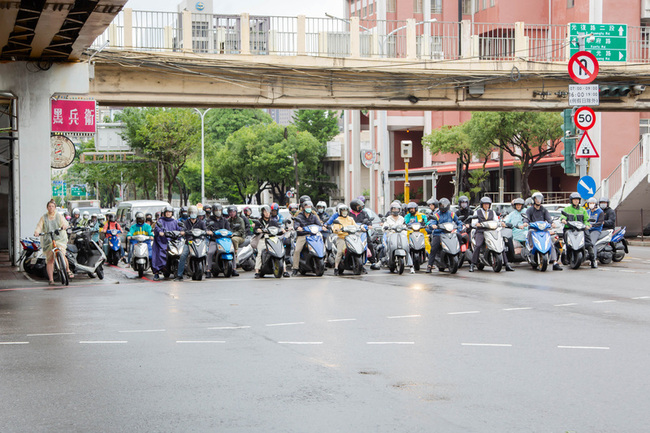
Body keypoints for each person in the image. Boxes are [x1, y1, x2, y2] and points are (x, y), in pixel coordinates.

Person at [468, 197, 514, 272]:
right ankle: (473, 264)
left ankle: (507, 264)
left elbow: (496, 220)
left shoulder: (492, 212)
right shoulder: (477, 212)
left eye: (488, 204)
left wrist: (501, 223)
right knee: (478, 245)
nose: (486, 206)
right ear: (482, 205)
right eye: (485, 204)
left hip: (491, 231)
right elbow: (473, 222)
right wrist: (477, 224)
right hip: (481, 231)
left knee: (500, 244)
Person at [34, 199, 72, 285]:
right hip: (48, 239)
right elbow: (39, 226)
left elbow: (64, 223)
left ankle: (67, 270)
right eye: (49, 206)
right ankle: (51, 279)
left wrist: (64, 226)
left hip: (59, 238)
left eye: (52, 206)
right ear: (47, 208)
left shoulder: (59, 216)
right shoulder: (44, 217)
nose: (51, 208)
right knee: (50, 260)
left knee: (62, 253)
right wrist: (37, 232)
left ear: (55, 207)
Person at [524, 192, 562, 271]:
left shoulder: (544, 210)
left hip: (543, 230)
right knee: (530, 232)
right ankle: (531, 249)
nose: (538, 201)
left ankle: (555, 262)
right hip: (533, 230)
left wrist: (552, 223)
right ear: (533, 200)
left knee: (550, 243)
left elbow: (549, 219)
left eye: (540, 199)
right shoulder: (530, 210)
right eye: (536, 199)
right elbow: (526, 218)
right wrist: (525, 222)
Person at [425, 198, 463, 273]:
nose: (443, 206)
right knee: (434, 248)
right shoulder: (437, 215)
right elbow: (432, 222)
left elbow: (458, 221)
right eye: (442, 205)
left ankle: (460, 255)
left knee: (459, 237)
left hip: (449, 233)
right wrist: (433, 225)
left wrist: (459, 228)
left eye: (445, 205)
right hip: (439, 233)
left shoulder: (452, 214)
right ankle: (429, 266)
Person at [253, 205, 290, 278]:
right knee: (260, 252)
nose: (267, 213)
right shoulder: (259, 222)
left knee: (280, 252)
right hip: (264, 238)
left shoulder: (273, 221)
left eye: (268, 212)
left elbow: (278, 229)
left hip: (273, 238)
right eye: (265, 212)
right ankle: (257, 271)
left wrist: (282, 230)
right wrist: (258, 230)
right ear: (262, 213)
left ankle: (285, 270)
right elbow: (255, 230)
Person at [175, 206, 208, 281]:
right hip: (189, 241)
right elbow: (183, 230)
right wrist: (183, 232)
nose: (193, 214)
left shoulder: (201, 222)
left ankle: (208, 270)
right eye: (191, 213)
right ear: (189, 214)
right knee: (183, 255)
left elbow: (205, 229)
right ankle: (179, 275)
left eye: (194, 213)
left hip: (200, 241)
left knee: (207, 253)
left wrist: (207, 232)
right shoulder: (186, 222)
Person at [152, 205, 183, 281]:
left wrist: (182, 232)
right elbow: (157, 228)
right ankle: (156, 273)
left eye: (170, 212)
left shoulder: (175, 221)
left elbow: (180, 228)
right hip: (162, 242)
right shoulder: (160, 221)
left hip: (173, 241)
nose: (168, 214)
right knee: (159, 253)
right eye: (167, 212)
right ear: (164, 213)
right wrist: (160, 232)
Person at [382, 201, 415, 274]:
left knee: (406, 247)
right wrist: (386, 227)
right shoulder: (388, 218)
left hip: (401, 235)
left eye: (397, 209)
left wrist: (407, 227)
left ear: (399, 210)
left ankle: (411, 266)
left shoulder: (402, 218)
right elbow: (384, 226)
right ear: (391, 210)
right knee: (386, 247)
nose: (395, 210)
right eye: (394, 209)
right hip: (391, 235)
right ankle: (385, 259)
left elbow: (405, 225)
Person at [292, 200, 323, 276]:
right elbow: (296, 224)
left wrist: (322, 227)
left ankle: (323, 261)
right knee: (297, 250)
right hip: (302, 235)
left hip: (313, 235)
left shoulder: (314, 216)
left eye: (310, 207)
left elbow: (319, 224)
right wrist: (298, 227)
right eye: (307, 207)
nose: (308, 208)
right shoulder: (299, 216)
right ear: (303, 208)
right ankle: (295, 268)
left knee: (321, 245)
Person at [331, 203, 361, 276]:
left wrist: (361, 228)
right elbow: (335, 229)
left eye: (345, 210)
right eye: (342, 211)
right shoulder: (337, 220)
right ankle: (336, 267)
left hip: (350, 237)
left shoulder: (350, 219)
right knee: (340, 252)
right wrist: (337, 229)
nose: (344, 212)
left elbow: (356, 226)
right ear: (339, 212)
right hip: (341, 238)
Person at [205, 203, 231, 278]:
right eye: (216, 210)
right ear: (213, 211)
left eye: (220, 210)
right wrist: (209, 232)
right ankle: (208, 270)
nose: (218, 212)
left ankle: (234, 268)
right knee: (210, 252)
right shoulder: (209, 220)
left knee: (231, 250)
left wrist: (230, 233)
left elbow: (228, 229)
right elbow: (207, 228)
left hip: (224, 240)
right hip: (214, 240)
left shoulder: (224, 220)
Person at [226, 205, 245, 276]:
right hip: (229, 236)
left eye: (233, 212)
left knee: (234, 239)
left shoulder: (240, 220)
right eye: (230, 212)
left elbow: (242, 231)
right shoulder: (227, 220)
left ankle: (235, 253)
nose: (232, 213)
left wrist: (234, 234)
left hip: (239, 237)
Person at [586, 196, 604, 268]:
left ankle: (593, 259)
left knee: (592, 243)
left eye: (593, 203)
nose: (591, 204)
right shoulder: (587, 212)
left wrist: (592, 225)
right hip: (587, 229)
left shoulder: (600, 212)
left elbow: (600, 222)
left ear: (596, 204)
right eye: (590, 203)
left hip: (596, 230)